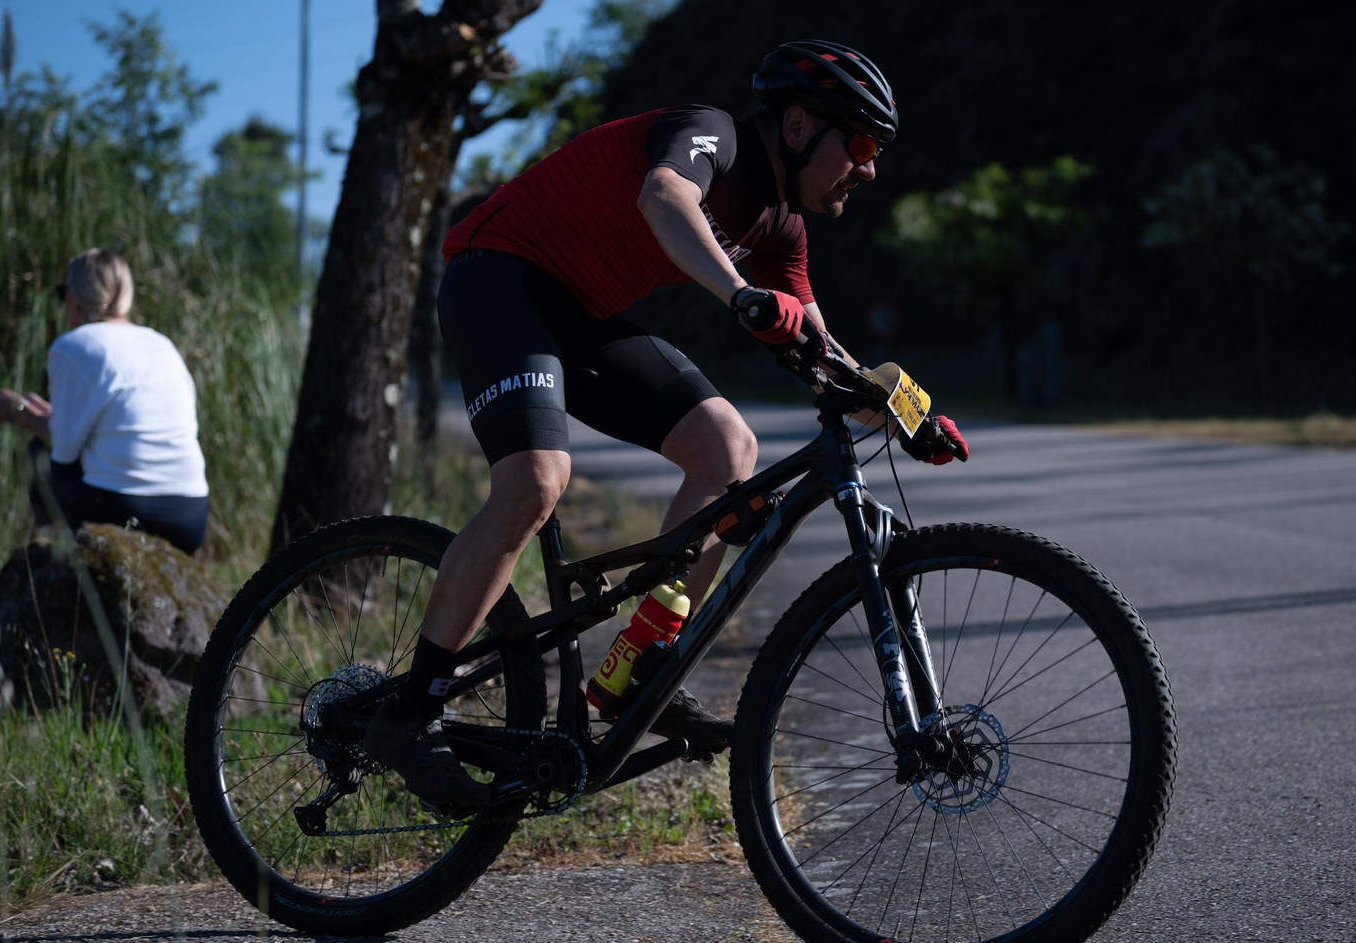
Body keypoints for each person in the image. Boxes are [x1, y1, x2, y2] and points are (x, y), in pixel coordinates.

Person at [367, 40, 970, 810]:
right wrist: (739, 294)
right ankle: (410, 712)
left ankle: (637, 667)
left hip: (581, 315)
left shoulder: (782, 228)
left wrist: (909, 413)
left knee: (728, 448)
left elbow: (825, 354)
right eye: (859, 144)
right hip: (499, 277)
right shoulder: (709, 132)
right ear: (796, 127)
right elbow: (664, 197)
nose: (870, 169)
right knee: (536, 481)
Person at [0, 249, 210, 554]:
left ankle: (58, 566)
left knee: (38, 454)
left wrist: (17, 411)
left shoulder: (74, 345)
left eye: (63, 293)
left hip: (125, 509)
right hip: (190, 516)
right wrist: (47, 416)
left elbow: (63, 452)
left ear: (75, 299)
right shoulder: (162, 344)